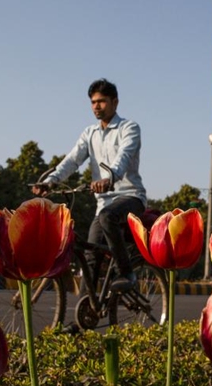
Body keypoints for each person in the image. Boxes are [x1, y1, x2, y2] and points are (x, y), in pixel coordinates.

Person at [33, 78, 146, 292]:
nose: (96, 106)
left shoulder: (129, 128)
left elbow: (124, 156)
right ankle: (84, 315)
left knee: (107, 217)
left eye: (102, 101)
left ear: (115, 102)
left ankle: (127, 273)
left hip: (130, 197)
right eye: (93, 102)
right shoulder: (90, 134)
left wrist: (110, 178)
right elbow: (73, 160)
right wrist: (50, 181)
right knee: (89, 255)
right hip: (104, 204)